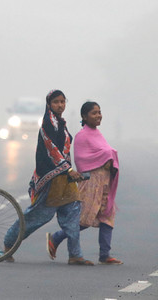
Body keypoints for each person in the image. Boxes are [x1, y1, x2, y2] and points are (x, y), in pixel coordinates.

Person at [1, 90, 94, 265]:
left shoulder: (61, 123)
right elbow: (52, 150)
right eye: (56, 102)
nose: (60, 105)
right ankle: (8, 245)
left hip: (66, 181)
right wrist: (68, 170)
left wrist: (70, 172)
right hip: (50, 181)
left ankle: (75, 255)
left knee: (73, 216)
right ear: (49, 104)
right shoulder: (47, 124)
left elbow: (64, 151)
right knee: (36, 217)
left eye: (63, 102)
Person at [47, 101, 122, 265]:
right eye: (94, 113)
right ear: (84, 116)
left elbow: (106, 153)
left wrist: (108, 159)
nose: (98, 116)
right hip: (90, 183)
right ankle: (56, 238)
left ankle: (105, 254)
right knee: (84, 218)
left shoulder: (98, 134)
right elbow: (81, 160)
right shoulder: (82, 136)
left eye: (99, 112)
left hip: (105, 182)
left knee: (107, 216)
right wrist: (106, 157)